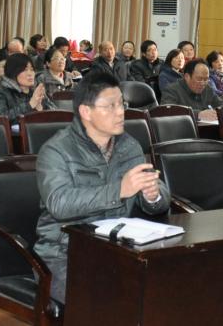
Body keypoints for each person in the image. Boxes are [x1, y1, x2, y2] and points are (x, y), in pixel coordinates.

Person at [34, 71, 170, 304]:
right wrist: (119, 190)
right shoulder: (56, 150)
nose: (120, 112)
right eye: (110, 106)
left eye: (121, 104)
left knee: (164, 289)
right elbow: (59, 203)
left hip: (117, 248)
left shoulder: (129, 146)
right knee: (102, 301)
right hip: (63, 252)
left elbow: (159, 197)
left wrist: (153, 195)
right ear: (86, 112)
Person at [0, 53, 54, 124]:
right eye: (25, 70)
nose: (30, 74)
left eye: (32, 69)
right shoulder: (2, 93)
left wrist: (41, 109)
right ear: (12, 72)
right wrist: (29, 105)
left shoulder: (36, 91)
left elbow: (56, 113)